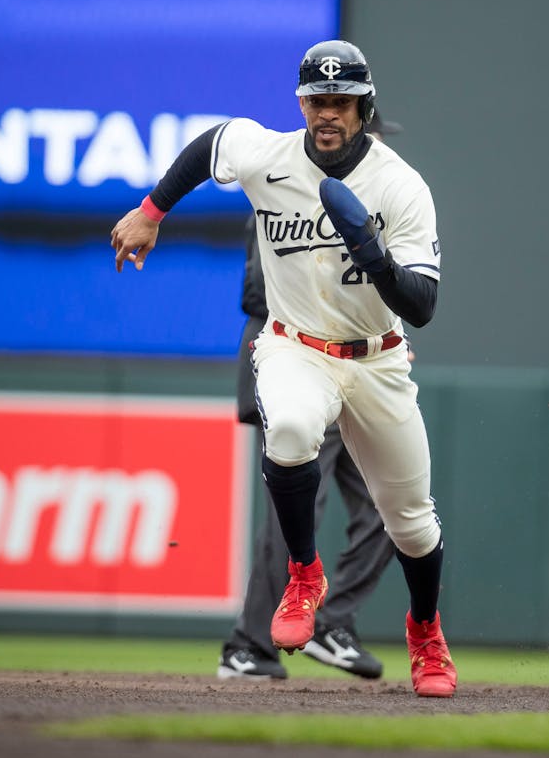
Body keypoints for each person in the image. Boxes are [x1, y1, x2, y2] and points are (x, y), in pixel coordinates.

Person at [111, 40, 457, 698]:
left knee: (411, 521)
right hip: (293, 345)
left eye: (343, 101)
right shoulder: (267, 154)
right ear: (302, 103)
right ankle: (304, 573)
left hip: (376, 358)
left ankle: (426, 631)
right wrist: (151, 212)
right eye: (317, 100)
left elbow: (425, 305)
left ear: (364, 106)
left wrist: (376, 258)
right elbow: (211, 144)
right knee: (293, 428)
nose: (329, 112)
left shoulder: (399, 184)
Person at [217, 114, 405, 682]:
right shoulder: (287, 189)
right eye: (367, 136)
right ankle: (250, 645)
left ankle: (331, 622)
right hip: (289, 357)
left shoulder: (375, 196)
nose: (372, 147)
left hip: (351, 366)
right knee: (298, 508)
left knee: (389, 503)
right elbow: (261, 292)